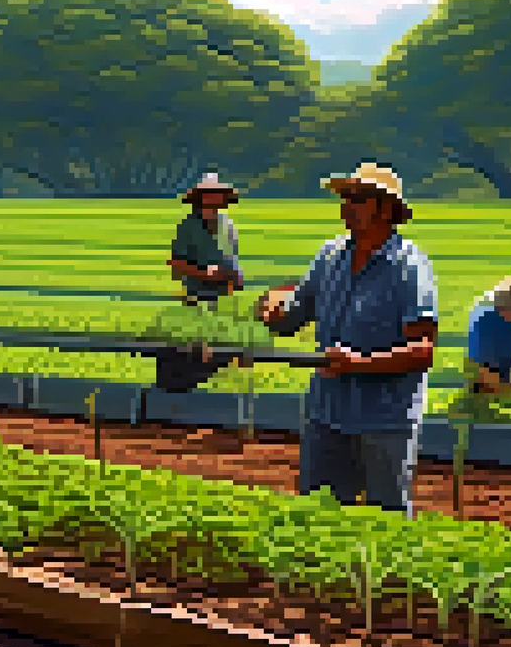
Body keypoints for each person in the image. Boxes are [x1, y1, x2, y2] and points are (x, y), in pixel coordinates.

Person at [257, 162, 439, 518]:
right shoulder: (329, 258)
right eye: (345, 198)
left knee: (386, 518)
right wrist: (270, 310)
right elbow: (292, 316)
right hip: (327, 412)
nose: (346, 207)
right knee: (317, 515)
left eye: (357, 199)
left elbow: (423, 350)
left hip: (384, 419)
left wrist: (360, 364)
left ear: (386, 210)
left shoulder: (409, 267)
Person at [170, 172, 244, 307]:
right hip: (194, 292)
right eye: (209, 193)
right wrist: (203, 273)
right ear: (201, 197)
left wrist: (235, 276)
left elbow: (232, 258)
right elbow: (176, 262)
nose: (214, 198)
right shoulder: (188, 226)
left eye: (217, 194)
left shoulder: (228, 225)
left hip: (223, 293)